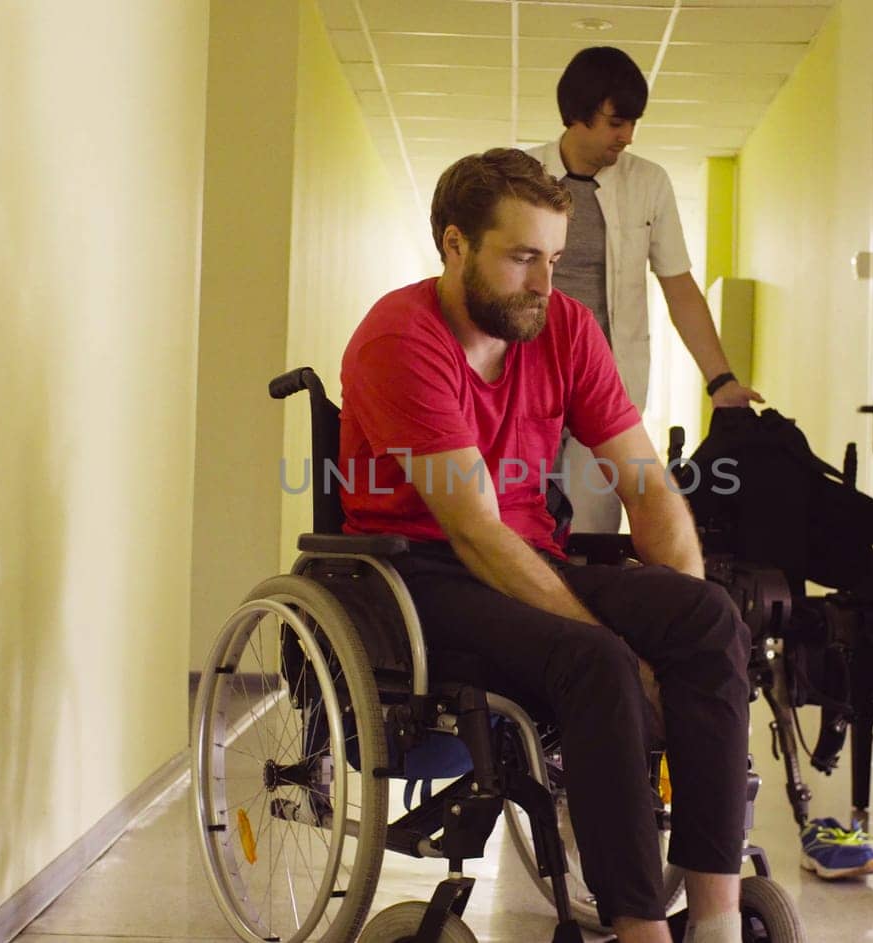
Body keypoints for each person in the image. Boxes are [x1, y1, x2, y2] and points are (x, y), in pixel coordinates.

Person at [338, 148, 753, 943]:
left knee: (707, 616)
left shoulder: (563, 326)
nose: (544, 283)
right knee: (594, 661)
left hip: (530, 557)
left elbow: (648, 485)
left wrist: (670, 637)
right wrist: (626, 654)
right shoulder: (400, 337)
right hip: (422, 579)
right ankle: (640, 930)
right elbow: (476, 531)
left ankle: (716, 918)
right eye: (523, 257)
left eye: (554, 259)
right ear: (455, 245)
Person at [527, 46, 763, 533]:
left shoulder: (649, 183)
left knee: (592, 530)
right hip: (524, 377)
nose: (627, 136)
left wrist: (720, 381)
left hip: (605, 385)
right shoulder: (520, 177)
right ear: (577, 114)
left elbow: (678, 285)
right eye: (616, 122)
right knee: (518, 519)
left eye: (634, 122)